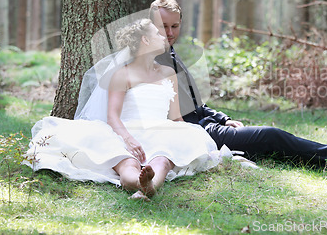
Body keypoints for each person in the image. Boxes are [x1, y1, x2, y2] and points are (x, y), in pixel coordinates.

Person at [150, 0, 327, 172]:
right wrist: (210, 127)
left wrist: (223, 118)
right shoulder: (152, 61)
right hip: (196, 133)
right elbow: (169, 114)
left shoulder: (170, 52)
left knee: (268, 146)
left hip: (207, 124)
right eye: (164, 26)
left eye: (175, 26)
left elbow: (194, 103)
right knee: (269, 135)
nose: (170, 32)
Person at [25, 19, 222, 201]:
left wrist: (185, 136)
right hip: (125, 131)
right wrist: (128, 139)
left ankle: (150, 186)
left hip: (161, 130)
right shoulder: (122, 74)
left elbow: (176, 117)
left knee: (162, 160)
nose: (164, 37)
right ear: (145, 40)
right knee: (128, 164)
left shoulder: (168, 73)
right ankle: (139, 182)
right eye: (158, 34)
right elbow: (112, 116)